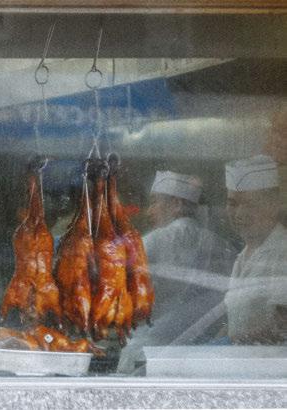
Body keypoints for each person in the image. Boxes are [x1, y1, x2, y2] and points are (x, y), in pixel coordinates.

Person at [117, 170, 236, 374]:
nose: (149, 211)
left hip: (144, 355)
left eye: (155, 202)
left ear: (177, 204)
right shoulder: (222, 247)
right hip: (197, 360)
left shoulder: (150, 243)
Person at [223, 154, 287, 344]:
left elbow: (282, 325)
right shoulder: (244, 255)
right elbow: (236, 322)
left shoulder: (283, 252)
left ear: (273, 206)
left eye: (250, 204)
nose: (239, 213)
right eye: (232, 203)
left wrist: (232, 344)